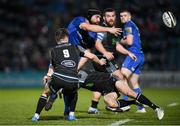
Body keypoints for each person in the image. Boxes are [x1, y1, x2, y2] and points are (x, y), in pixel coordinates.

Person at [32, 28, 107, 122]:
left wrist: (48, 76)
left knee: (45, 92)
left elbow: (52, 66)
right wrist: (100, 62)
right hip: (73, 78)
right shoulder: (76, 47)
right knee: (74, 91)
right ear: (67, 37)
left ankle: (36, 116)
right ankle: (71, 115)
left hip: (59, 77)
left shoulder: (53, 50)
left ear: (57, 39)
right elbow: (91, 56)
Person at [88, 8, 135, 114]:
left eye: (113, 16)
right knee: (120, 77)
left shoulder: (113, 30)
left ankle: (93, 107)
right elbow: (97, 43)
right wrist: (105, 53)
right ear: (104, 18)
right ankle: (120, 103)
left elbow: (117, 45)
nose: (111, 18)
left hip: (100, 59)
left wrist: (128, 53)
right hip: (103, 59)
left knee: (101, 83)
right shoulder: (102, 29)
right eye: (108, 16)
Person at [119, 10, 146, 113]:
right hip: (140, 55)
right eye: (121, 16)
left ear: (129, 17)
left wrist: (120, 40)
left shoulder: (128, 25)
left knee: (122, 77)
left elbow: (129, 41)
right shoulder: (132, 25)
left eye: (125, 16)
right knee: (134, 83)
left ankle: (125, 105)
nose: (122, 17)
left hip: (133, 55)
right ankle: (141, 107)